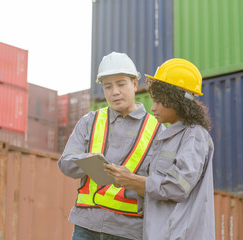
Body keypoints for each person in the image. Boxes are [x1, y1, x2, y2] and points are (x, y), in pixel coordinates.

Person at [58, 52, 165, 240]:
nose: (114, 91)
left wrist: (131, 180)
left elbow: (161, 188)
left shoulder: (158, 132)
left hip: (128, 231)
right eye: (108, 86)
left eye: (121, 84)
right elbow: (65, 163)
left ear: (134, 83)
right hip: (86, 226)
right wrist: (87, 161)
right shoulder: (89, 122)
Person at [105, 58, 215, 240]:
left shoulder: (194, 135)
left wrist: (133, 180)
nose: (153, 107)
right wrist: (123, 179)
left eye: (158, 101)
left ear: (176, 101)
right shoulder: (167, 137)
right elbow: (157, 190)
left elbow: (177, 186)